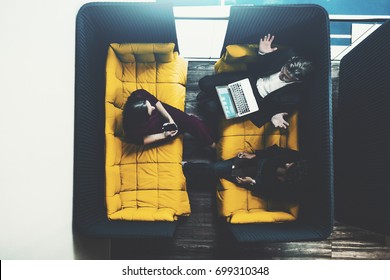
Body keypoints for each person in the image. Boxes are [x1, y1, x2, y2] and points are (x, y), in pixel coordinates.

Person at [197, 34, 314, 129]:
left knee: (209, 106)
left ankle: (209, 98)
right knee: (204, 83)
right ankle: (209, 94)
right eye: (284, 70)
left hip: (255, 99)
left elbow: (274, 107)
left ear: (297, 81)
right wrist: (262, 53)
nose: (282, 75)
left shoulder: (295, 96)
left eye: (287, 77)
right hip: (250, 79)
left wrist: (273, 115)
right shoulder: (287, 55)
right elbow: (260, 68)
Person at [183, 145, 309, 202]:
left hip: (255, 179)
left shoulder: (288, 190)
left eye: (289, 167)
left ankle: (185, 170)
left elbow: (269, 193)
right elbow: (274, 150)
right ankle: (185, 167)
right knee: (216, 169)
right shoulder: (295, 157)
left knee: (219, 173)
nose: (287, 164)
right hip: (256, 161)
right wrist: (254, 155)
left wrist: (253, 182)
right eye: (290, 163)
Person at [122, 89, 216, 147]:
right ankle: (211, 139)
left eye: (149, 105)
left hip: (162, 112)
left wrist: (169, 118)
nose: (152, 107)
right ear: (144, 119)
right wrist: (164, 135)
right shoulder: (131, 132)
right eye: (150, 110)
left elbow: (156, 103)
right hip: (157, 132)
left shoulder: (139, 94)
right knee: (186, 125)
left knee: (190, 121)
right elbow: (143, 140)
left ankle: (211, 143)